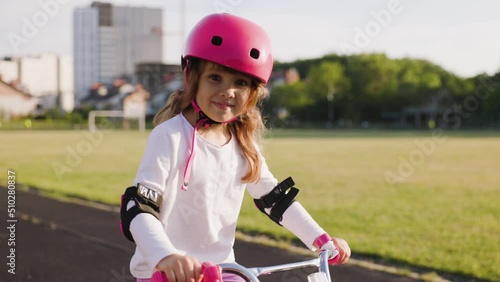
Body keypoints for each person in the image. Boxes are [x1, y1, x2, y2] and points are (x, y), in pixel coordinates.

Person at [120, 13, 351, 282]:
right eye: (215, 78)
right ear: (190, 76)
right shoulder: (169, 137)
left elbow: (275, 200)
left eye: (240, 83)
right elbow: (139, 208)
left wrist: (321, 239)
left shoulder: (244, 144)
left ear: (253, 92)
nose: (228, 92)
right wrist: (165, 256)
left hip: (223, 271)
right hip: (166, 273)